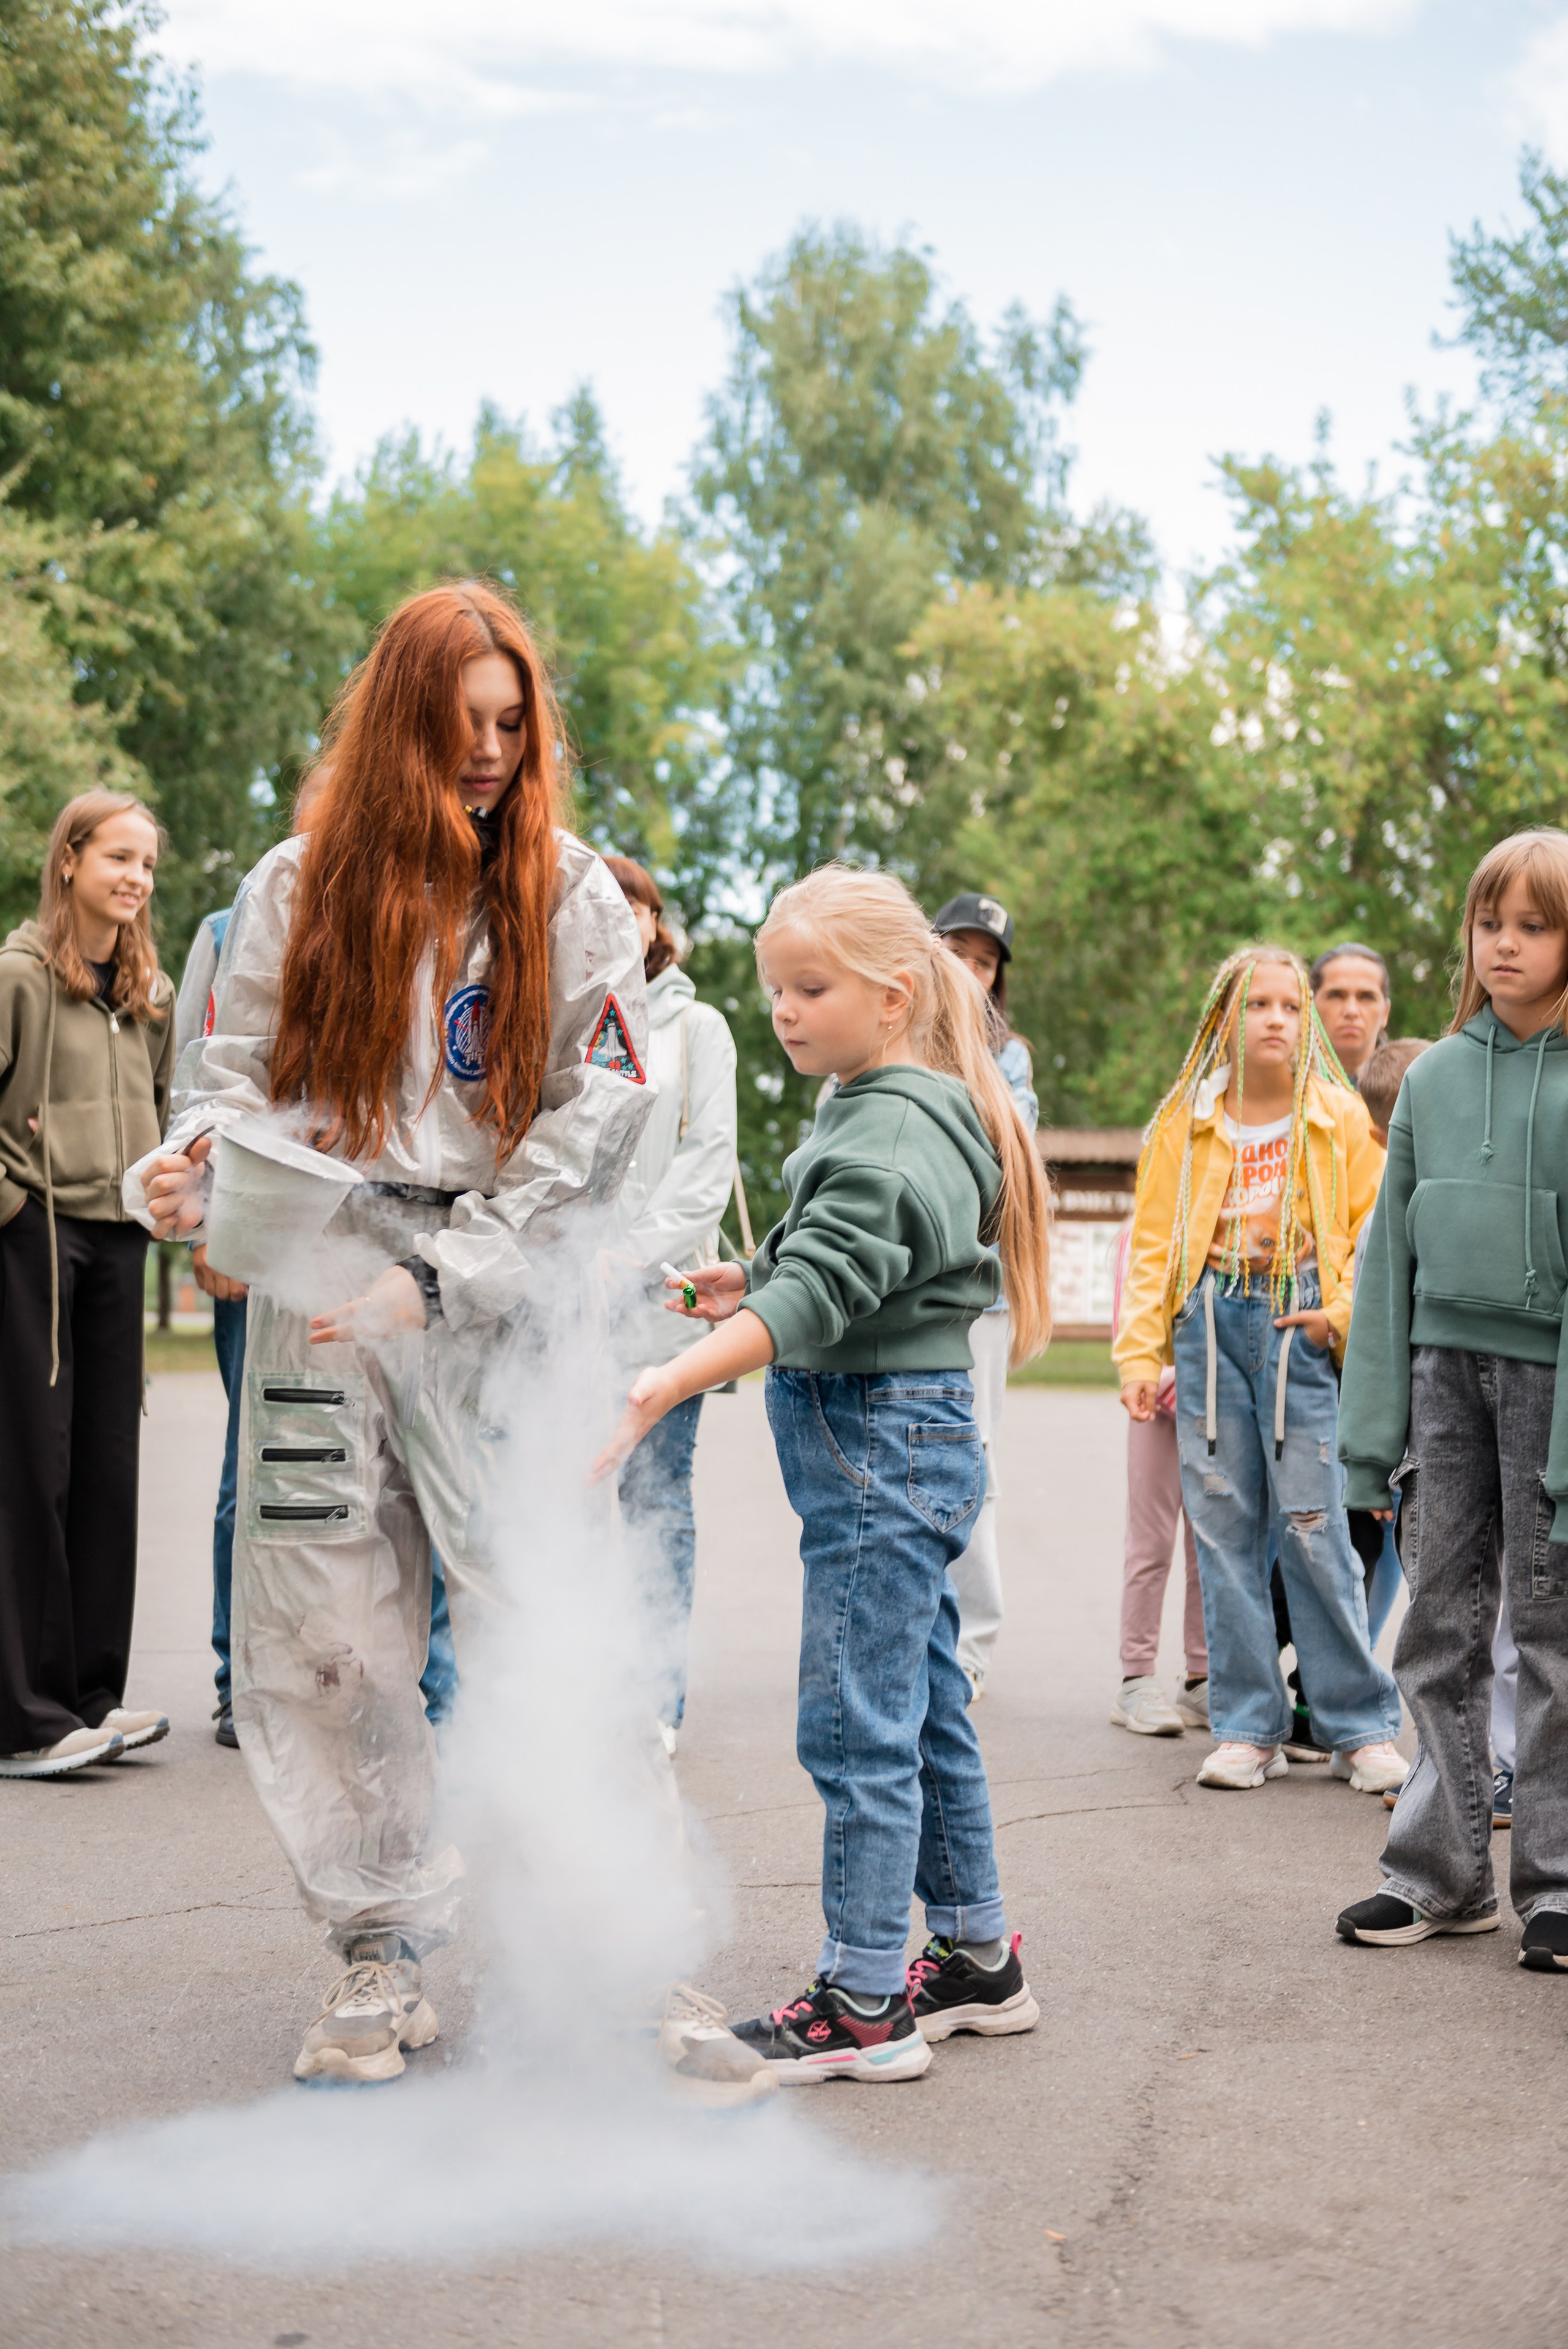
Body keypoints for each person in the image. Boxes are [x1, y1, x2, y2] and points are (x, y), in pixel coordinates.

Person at [132, 581, 653, 2081]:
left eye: (511, 724)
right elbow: (230, 1083)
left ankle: (603, 1944)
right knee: (326, 1639)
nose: (488, 752)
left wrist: (449, 1275)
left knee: (548, 1615)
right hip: (322, 1297)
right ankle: (377, 1950)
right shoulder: (298, 886)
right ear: (398, 721)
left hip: (498, 1302)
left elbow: (594, 1126)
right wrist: (191, 1171)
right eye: (459, 723)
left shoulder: (573, 900)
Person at [594, 863, 1052, 2081]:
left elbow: (832, 1282)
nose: (784, 1011)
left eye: (809, 988)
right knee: (926, 1704)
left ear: (895, 995)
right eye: (774, 990)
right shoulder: (876, 1096)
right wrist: (739, 1281)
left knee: (855, 1725)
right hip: (901, 1436)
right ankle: (971, 1959)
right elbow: (831, 1254)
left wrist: (668, 1377)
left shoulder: (892, 1120)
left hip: (877, 1448)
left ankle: (862, 2001)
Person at [175, 775, 461, 1751]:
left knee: (426, 1486)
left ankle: (422, 1694)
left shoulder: (444, 921)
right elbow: (207, 1072)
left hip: (414, 1255)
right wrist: (206, 1206)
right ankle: (248, 1669)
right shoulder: (243, 917)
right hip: (281, 1242)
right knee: (275, 1474)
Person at [1336, 830, 1568, 1958]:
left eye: (1535, 925)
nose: (1507, 945)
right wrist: (1370, 1436)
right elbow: (1388, 1269)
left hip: (1552, 1383)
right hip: (1441, 1376)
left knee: (1554, 1633)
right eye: (1491, 924)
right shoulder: (1428, 1076)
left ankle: (1558, 1885)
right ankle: (1440, 1873)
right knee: (1436, 1623)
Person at [1115, 946, 1403, 1793]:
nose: (1275, 1018)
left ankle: (1357, 1723)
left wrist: (1338, 1317)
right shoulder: (1186, 1122)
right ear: (1223, 1020)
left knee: (1314, 1525)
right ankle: (1247, 1724)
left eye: (1288, 1004)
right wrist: (1141, 1350)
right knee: (1224, 1529)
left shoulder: (1338, 1114)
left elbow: (1375, 1232)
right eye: (1256, 1004)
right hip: (1209, 1323)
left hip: (1296, 1325)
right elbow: (1156, 1245)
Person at [0, 792, 175, 1778]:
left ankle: (92, 1696)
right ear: (68, 860)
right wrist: (13, 1210)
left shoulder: (142, 993)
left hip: (119, 1241)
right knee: (34, 1470)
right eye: (117, 856)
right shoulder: (18, 977)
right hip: (37, 1239)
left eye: (146, 864)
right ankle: (25, 1714)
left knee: (109, 1469)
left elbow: (161, 1108)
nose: (135, 879)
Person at [601, 854, 738, 1753]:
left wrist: (628, 1250)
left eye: (633, 906)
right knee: (564, 1495)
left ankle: (657, 1701)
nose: (618, 919)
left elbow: (708, 1162)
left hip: (660, 1303)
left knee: (657, 1504)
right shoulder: (560, 1019)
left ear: (657, 922)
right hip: (566, 1303)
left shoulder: (701, 1028)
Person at [930, 891, 1037, 1698]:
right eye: (958, 951)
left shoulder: (1011, 1061)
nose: (971, 969)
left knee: (973, 1462)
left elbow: (1007, 1158)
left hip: (977, 1296)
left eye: (985, 959)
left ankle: (972, 1643)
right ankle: (918, 1630)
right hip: (894, 1287)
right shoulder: (889, 1032)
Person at [1107, 1222, 1208, 1735]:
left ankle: (1201, 1677)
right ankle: (1136, 1677)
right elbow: (1129, 1324)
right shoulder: (1139, 1234)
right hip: (1161, 1408)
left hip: (1213, 1408)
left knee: (1207, 1545)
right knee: (1151, 1542)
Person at [1311, 944, 1391, 1088]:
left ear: (1386, 1012)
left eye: (1366, 997)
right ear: (1311, 1007)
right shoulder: (1280, 1087)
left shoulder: (1413, 1084)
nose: (1352, 1011)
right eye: (1336, 996)